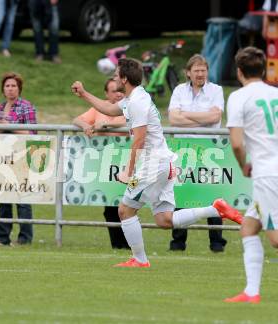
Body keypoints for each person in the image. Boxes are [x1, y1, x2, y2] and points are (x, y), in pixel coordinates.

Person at [71, 58, 242, 268]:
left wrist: (128, 171)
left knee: (124, 210)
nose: (114, 78)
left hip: (154, 165)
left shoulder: (137, 102)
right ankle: (215, 209)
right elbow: (109, 108)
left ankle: (140, 260)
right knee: (164, 220)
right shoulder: (135, 97)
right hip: (163, 163)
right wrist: (84, 93)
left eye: (117, 75)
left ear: (124, 78)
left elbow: (140, 140)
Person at [224, 47, 278, 304]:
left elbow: (236, 143)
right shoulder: (275, 93)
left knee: (276, 238)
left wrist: (244, 164)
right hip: (271, 172)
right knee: (248, 228)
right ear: (264, 69)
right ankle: (251, 292)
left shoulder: (238, 97)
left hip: (267, 174)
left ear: (239, 72)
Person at [167, 54, 227, 252]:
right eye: (197, 71)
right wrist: (202, 118)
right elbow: (173, 120)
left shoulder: (216, 90)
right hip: (183, 150)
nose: (201, 74)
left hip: (209, 150)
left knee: (212, 196)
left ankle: (217, 243)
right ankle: (178, 242)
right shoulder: (178, 90)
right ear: (188, 73)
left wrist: (185, 115)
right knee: (182, 195)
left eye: (203, 70)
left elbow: (215, 116)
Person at [73, 78, 128, 249]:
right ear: (106, 94)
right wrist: (85, 126)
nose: (118, 93)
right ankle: (118, 246)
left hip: (127, 164)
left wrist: (106, 125)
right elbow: (77, 119)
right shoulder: (100, 107)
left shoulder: (129, 105)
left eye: (120, 89)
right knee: (110, 207)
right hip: (105, 166)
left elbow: (127, 122)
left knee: (127, 206)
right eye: (114, 90)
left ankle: (130, 244)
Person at [0, 72, 37, 246]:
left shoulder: (26, 106)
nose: (10, 89)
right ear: (3, 89)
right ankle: (3, 237)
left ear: (19, 88)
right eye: (7, 86)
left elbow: (33, 133)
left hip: (22, 157)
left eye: (13, 86)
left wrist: (12, 127)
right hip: (4, 157)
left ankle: (25, 237)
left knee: (23, 198)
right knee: (4, 197)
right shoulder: (1, 108)